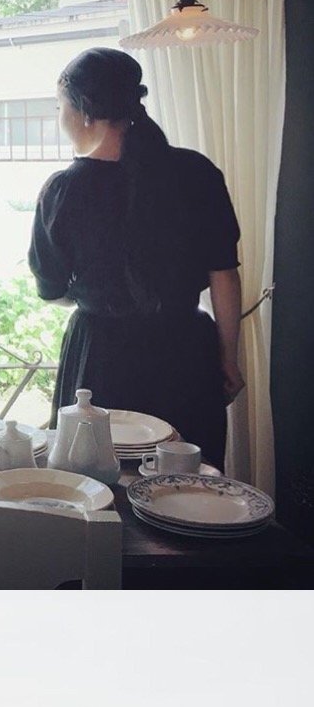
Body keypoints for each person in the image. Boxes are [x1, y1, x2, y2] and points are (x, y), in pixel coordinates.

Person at [28, 46, 244, 470]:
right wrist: (228, 358)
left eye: (60, 106)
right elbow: (224, 274)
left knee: (97, 483)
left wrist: (89, 293)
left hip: (103, 356)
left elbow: (51, 289)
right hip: (187, 352)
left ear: (84, 113)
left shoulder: (64, 190)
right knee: (187, 482)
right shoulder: (197, 172)